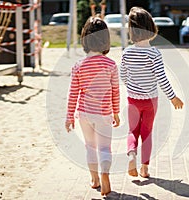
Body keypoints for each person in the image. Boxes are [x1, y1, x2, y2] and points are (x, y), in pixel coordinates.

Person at [120, 7, 184, 178]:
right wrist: (173, 97)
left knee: (132, 131)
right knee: (146, 133)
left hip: (132, 99)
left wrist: (133, 86)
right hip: (150, 101)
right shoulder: (154, 53)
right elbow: (162, 79)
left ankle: (131, 155)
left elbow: (123, 76)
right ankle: (145, 168)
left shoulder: (127, 53)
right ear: (151, 28)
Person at [65, 16, 120, 196]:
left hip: (84, 113)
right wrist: (117, 112)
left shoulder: (78, 66)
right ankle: (105, 174)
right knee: (105, 148)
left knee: (90, 147)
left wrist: (69, 116)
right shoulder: (110, 64)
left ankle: (95, 179)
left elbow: (73, 93)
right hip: (104, 113)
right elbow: (115, 91)